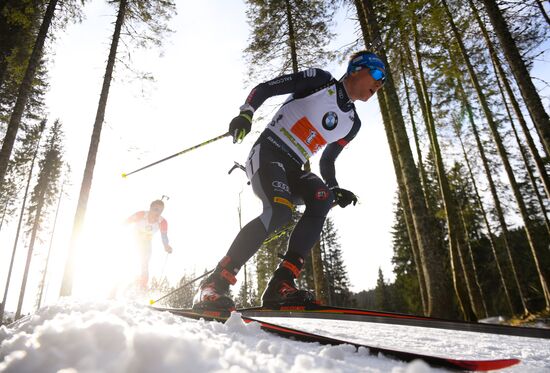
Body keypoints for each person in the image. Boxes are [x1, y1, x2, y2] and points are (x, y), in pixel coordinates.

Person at [193, 51, 386, 312]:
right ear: (355, 69)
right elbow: (264, 88)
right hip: (268, 152)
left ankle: (280, 284)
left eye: (383, 80)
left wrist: (334, 186)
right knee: (280, 211)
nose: (379, 83)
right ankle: (216, 282)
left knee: (322, 198)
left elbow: (327, 161)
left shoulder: (352, 124)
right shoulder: (320, 81)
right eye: (376, 74)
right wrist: (246, 113)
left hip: (293, 166)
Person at [126, 199, 173, 290]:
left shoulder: (162, 222)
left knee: (145, 263)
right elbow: (125, 222)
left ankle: (142, 286)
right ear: (150, 208)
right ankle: (119, 284)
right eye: (156, 209)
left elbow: (164, 236)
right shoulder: (141, 215)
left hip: (146, 242)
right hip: (134, 240)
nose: (158, 213)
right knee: (131, 260)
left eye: (160, 211)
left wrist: (166, 246)